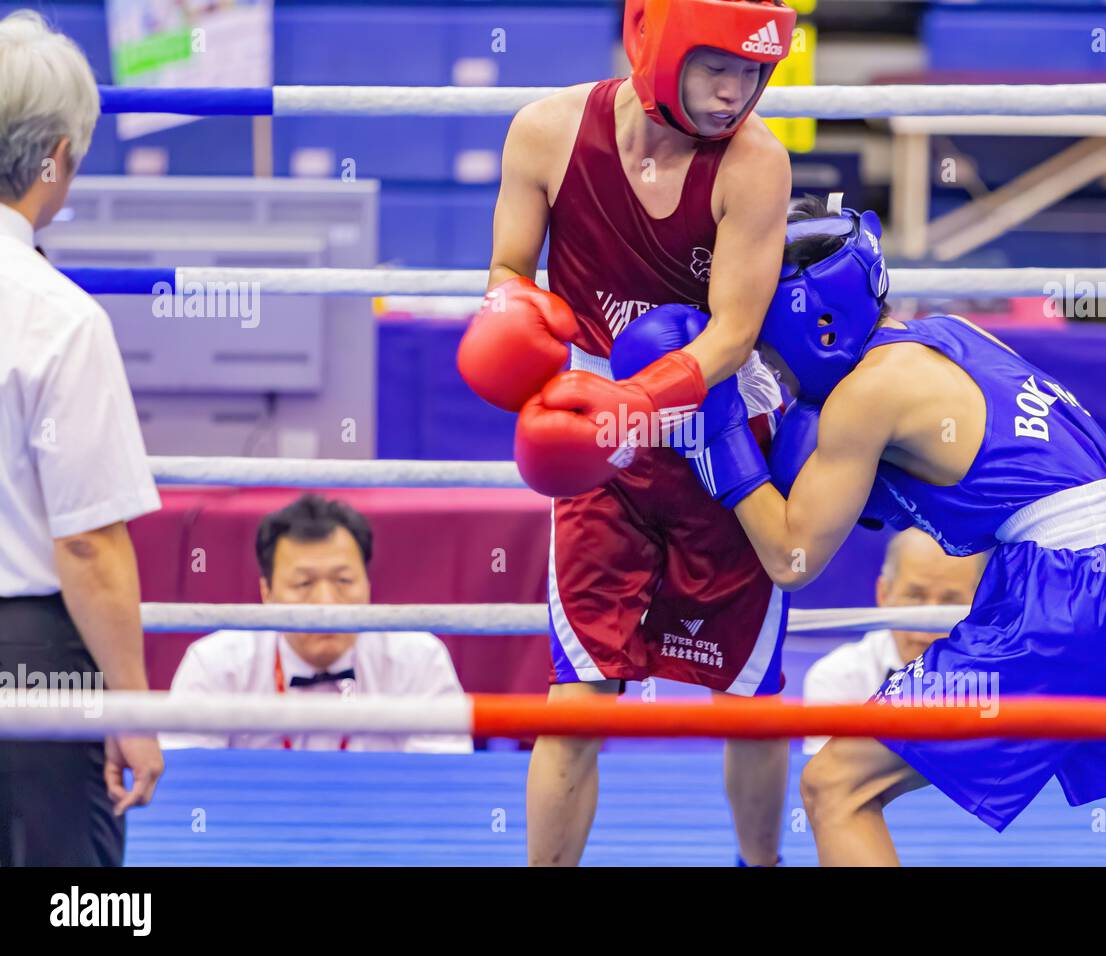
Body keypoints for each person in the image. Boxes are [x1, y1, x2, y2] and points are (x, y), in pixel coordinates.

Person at [617, 193, 1106, 866]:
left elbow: (792, 557)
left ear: (816, 325)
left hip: (1064, 595)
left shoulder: (866, 395)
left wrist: (719, 440)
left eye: (763, 343)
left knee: (835, 785)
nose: (763, 362)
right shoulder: (952, 335)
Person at [455, 0, 797, 866]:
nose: (736, 93)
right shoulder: (545, 132)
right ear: (658, 46)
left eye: (754, 72)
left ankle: (764, 866)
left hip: (720, 437)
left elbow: (732, 334)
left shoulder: (755, 164)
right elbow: (507, 270)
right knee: (580, 690)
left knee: (751, 697)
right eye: (717, 66)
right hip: (597, 448)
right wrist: (514, 325)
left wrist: (640, 404)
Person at [0, 10, 164, 866]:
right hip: (28, 654)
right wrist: (130, 712)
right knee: (80, 908)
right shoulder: (58, 316)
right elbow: (91, 545)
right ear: (54, 158)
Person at [164, 495, 473, 753]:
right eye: (304, 583)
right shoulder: (216, 662)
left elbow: (442, 777)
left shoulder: (418, 658)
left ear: (368, 584)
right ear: (266, 592)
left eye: (343, 580)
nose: (326, 602)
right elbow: (186, 780)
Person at [802, 529, 985, 754]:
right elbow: (824, 782)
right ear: (884, 594)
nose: (928, 622)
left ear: (978, 604)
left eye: (950, 602)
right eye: (914, 596)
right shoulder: (838, 676)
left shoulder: (999, 677)